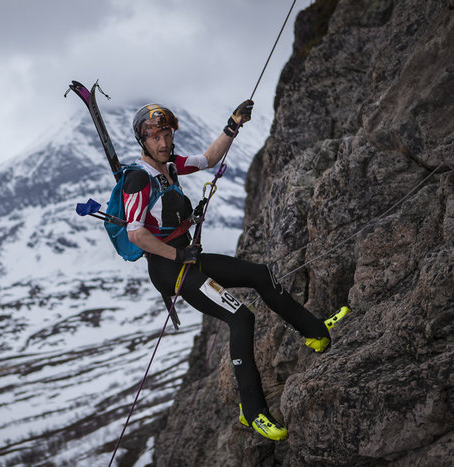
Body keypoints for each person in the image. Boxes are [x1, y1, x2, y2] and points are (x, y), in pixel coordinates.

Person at [123, 102, 349, 441]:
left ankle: (315, 332)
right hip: (171, 269)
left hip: (187, 259)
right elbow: (135, 233)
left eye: (166, 134)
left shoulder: (169, 165)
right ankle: (252, 411)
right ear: (143, 141)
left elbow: (208, 159)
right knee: (241, 317)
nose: (163, 142)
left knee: (260, 274)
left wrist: (233, 124)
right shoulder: (138, 178)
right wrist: (178, 254)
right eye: (155, 137)